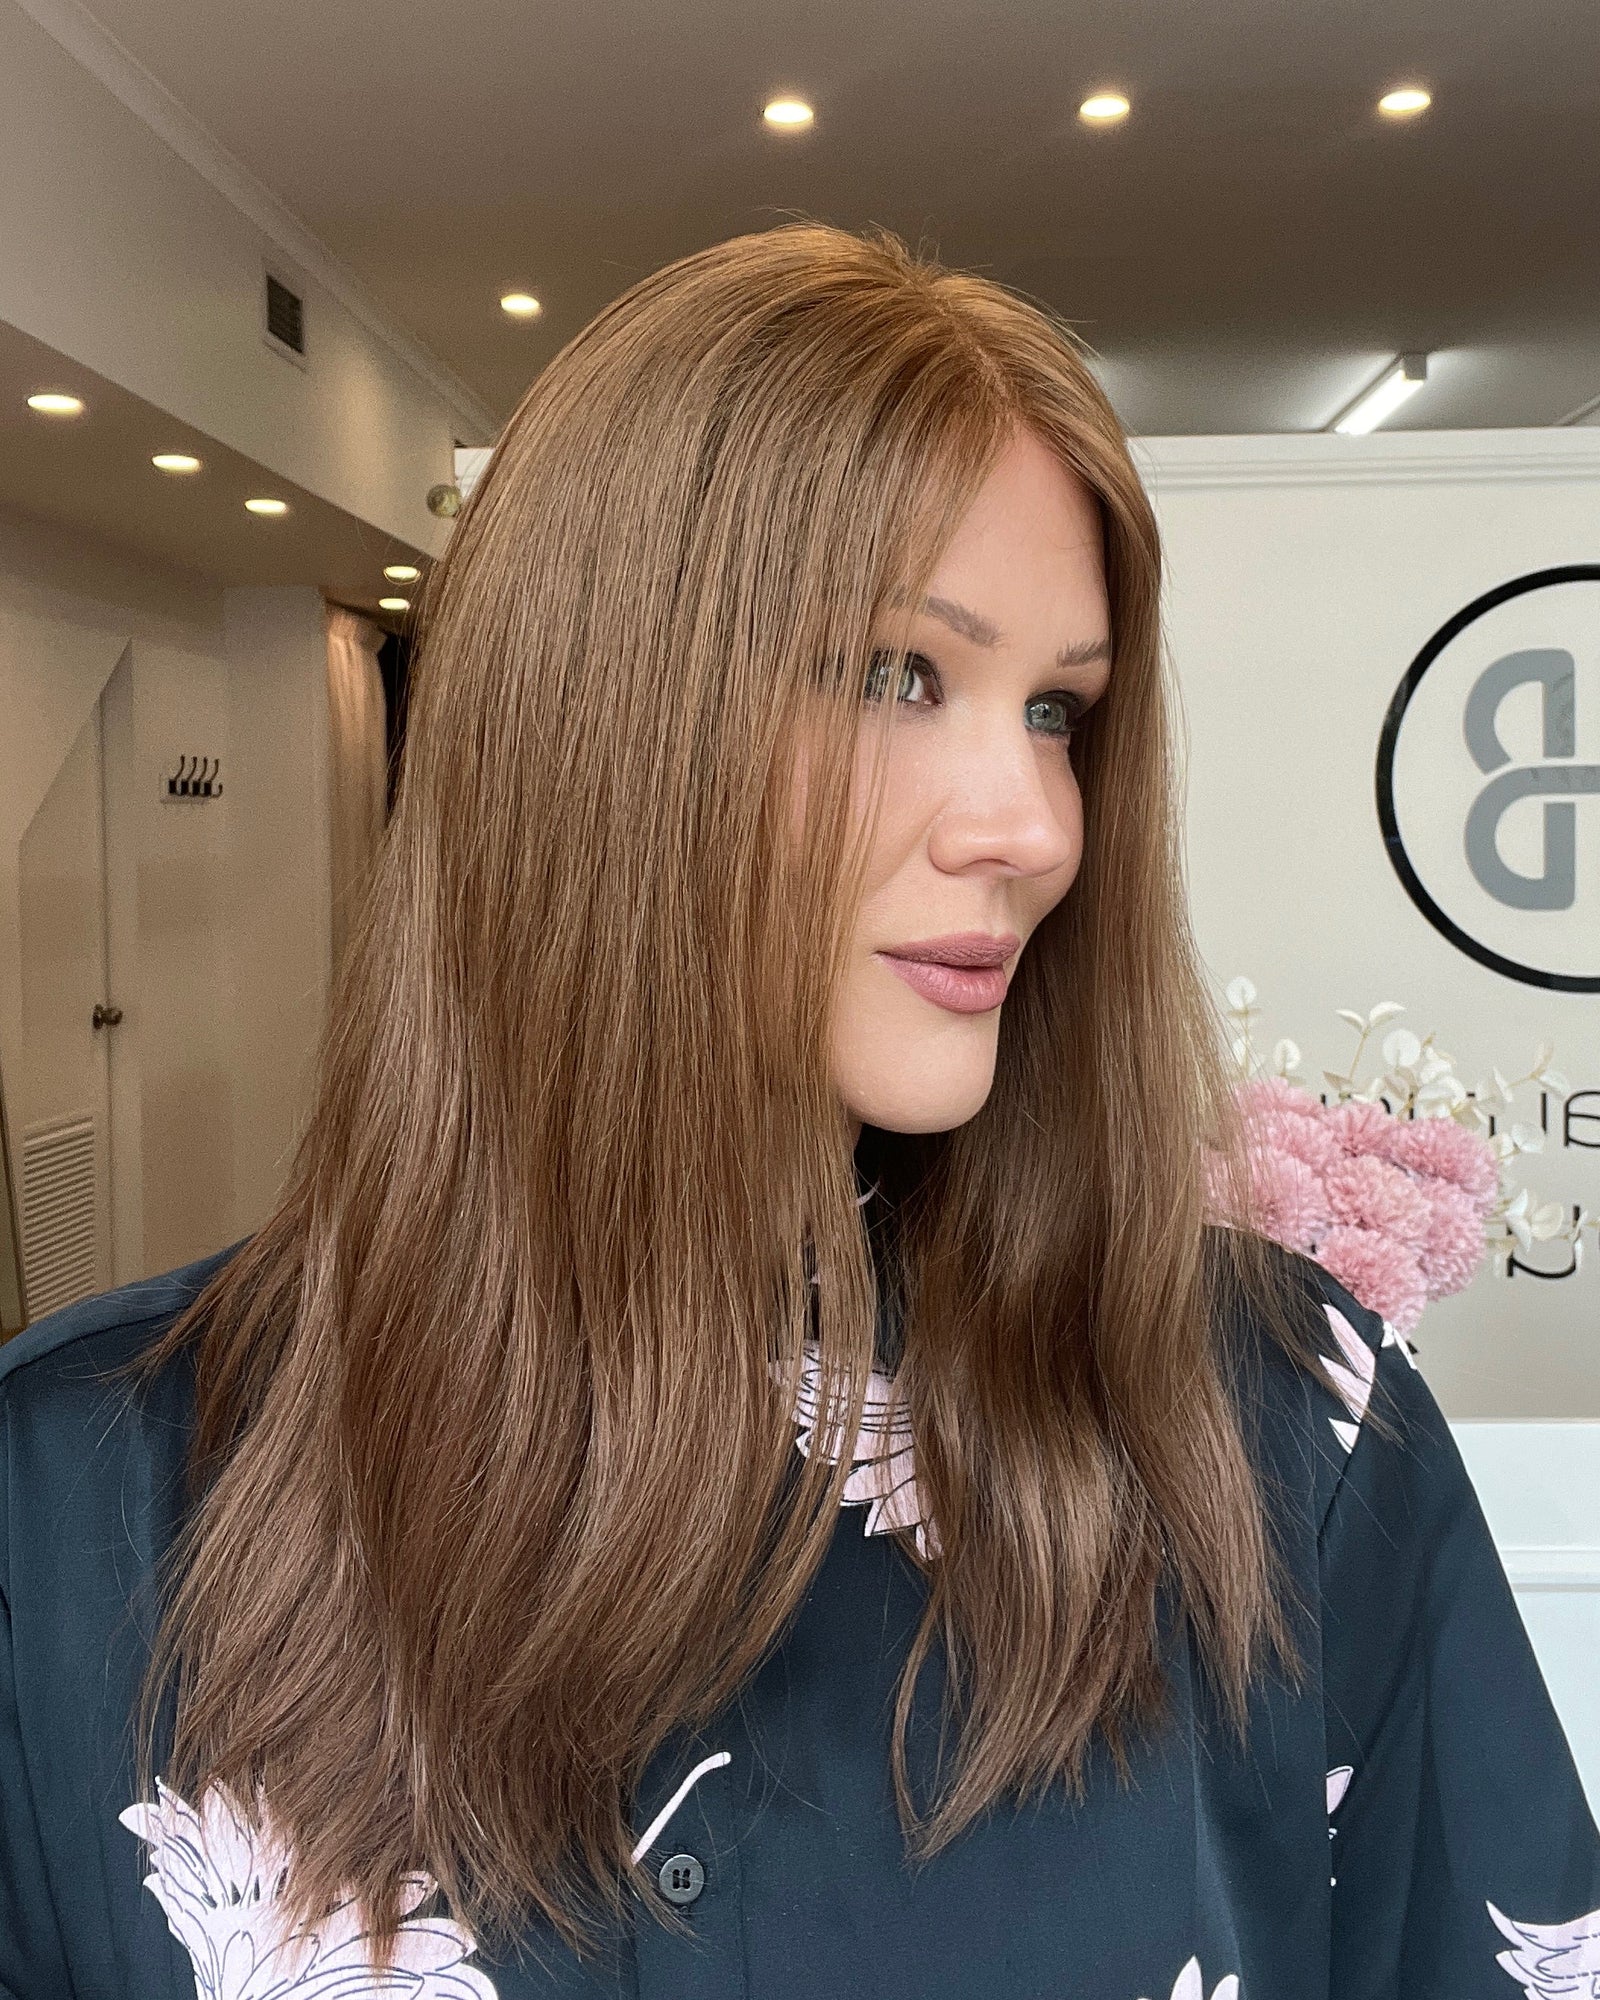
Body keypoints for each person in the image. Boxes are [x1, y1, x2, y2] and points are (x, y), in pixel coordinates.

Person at [2, 222, 1597, 2000]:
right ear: (594, 725)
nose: (1038, 828)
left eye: (1061, 709)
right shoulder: (77, 1502)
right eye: (898, 673)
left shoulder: (1280, 1432)